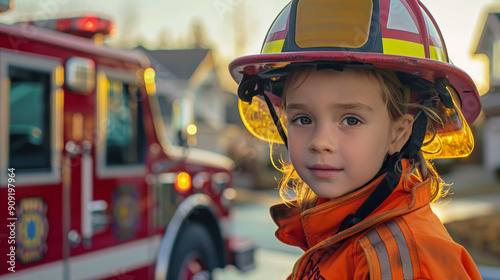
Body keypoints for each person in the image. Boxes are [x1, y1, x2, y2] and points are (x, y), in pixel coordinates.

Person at [229, 0, 483, 279]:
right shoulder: (341, 233)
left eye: (351, 120)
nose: (320, 141)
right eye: (303, 119)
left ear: (399, 134)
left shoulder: (402, 262)